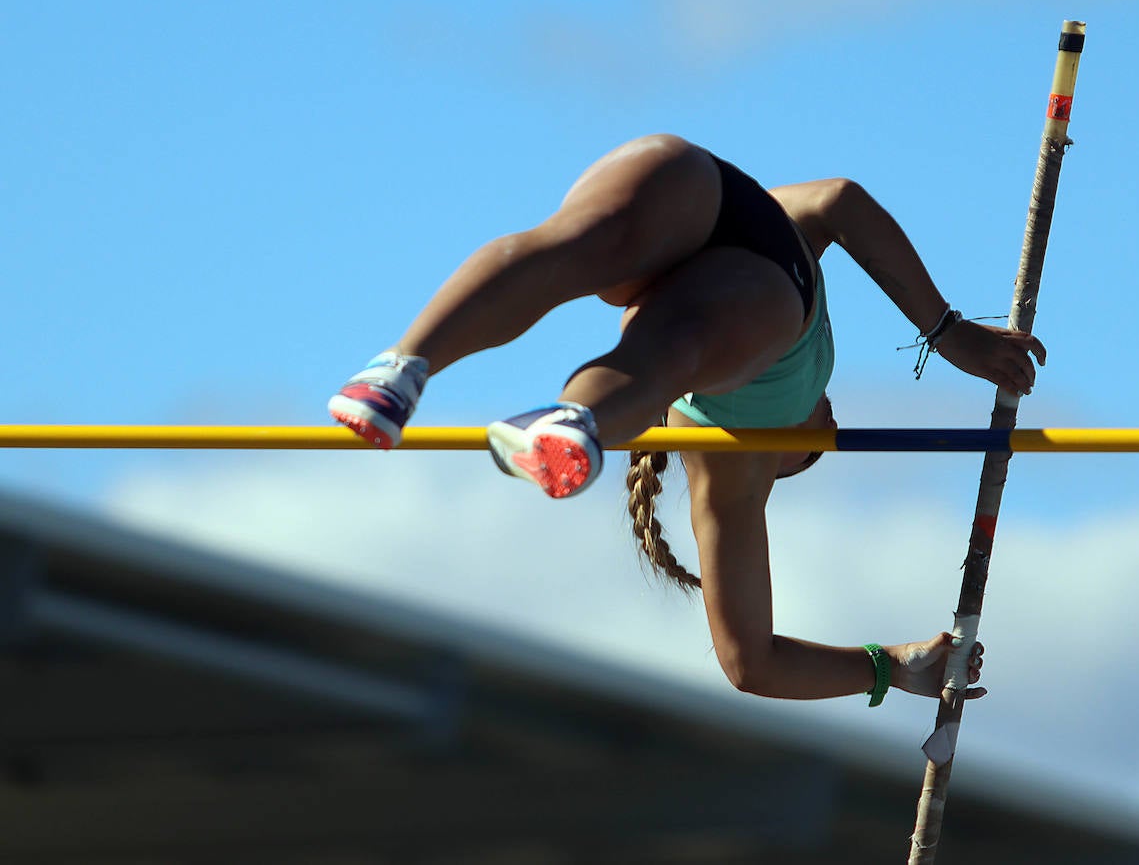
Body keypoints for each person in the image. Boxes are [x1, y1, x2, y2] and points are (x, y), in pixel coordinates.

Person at [329, 134, 1046, 705]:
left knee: (569, 251)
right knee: (663, 353)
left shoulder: (739, 462)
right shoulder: (728, 479)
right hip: (750, 267)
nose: (825, 429)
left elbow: (834, 200)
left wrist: (947, 331)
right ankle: (576, 418)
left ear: (793, 450)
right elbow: (751, 663)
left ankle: (402, 367)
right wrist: (886, 667)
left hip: (702, 185)